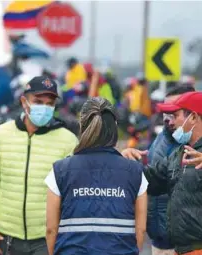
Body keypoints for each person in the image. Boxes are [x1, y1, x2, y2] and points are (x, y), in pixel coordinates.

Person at [122, 91, 202, 255]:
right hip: (183, 249)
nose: (170, 121)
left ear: (193, 117)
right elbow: (150, 180)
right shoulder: (179, 153)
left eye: (176, 115)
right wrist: (126, 165)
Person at [0, 76, 78, 255]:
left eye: (50, 103)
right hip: (5, 238)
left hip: (47, 241)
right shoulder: (0, 135)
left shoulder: (68, 141)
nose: (44, 108)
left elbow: (74, 192)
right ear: (24, 102)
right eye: (38, 101)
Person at [45, 97, 147, 255]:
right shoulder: (135, 172)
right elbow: (140, 230)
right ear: (115, 127)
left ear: (82, 126)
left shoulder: (60, 170)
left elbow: (51, 229)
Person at [146, 86, 195, 255]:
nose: (168, 119)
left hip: (187, 243)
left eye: (174, 112)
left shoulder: (201, 144)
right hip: (160, 241)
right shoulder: (162, 138)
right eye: (166, 113)